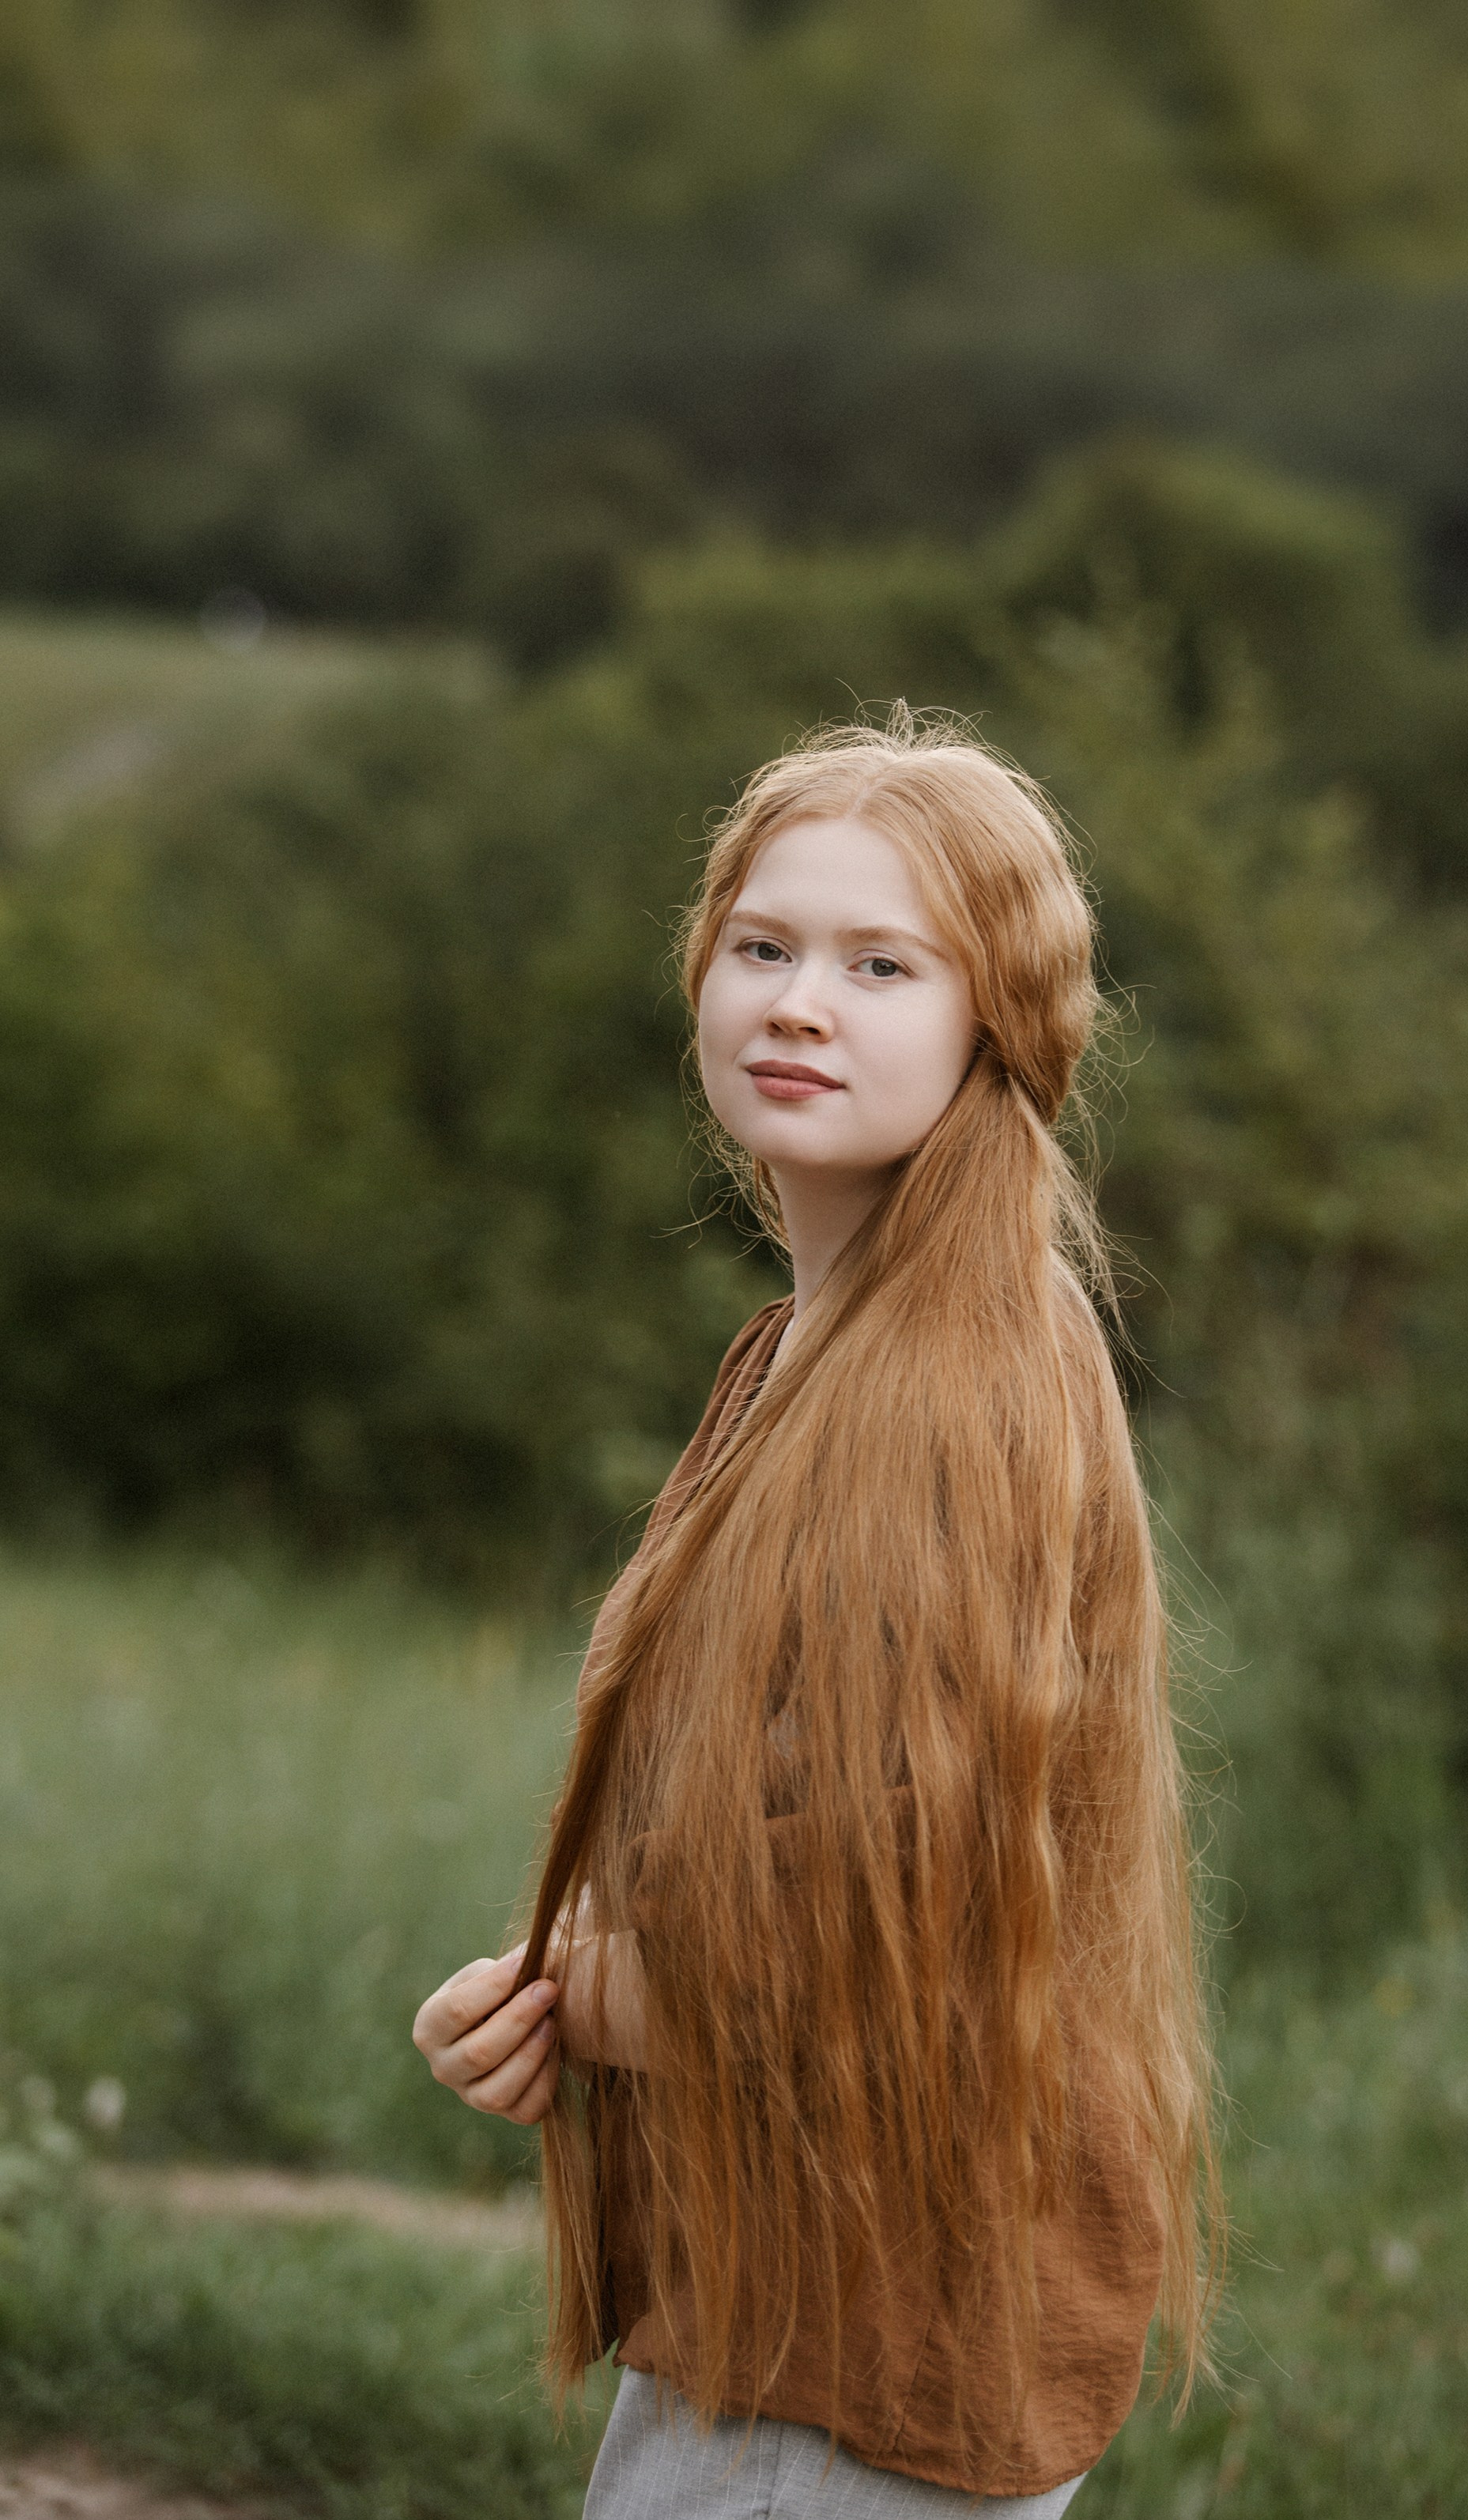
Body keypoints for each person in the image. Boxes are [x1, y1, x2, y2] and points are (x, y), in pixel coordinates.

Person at [413, 711, 1221, 2514]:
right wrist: (567, 1983)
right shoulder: (812, 1346)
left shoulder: (962, 1378)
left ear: (994, 1018)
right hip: (793, 2272)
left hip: (869, 2326)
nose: (797, 1001)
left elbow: (899, 1909)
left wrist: (588, 1994)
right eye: (763, 945)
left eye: (880, 963)